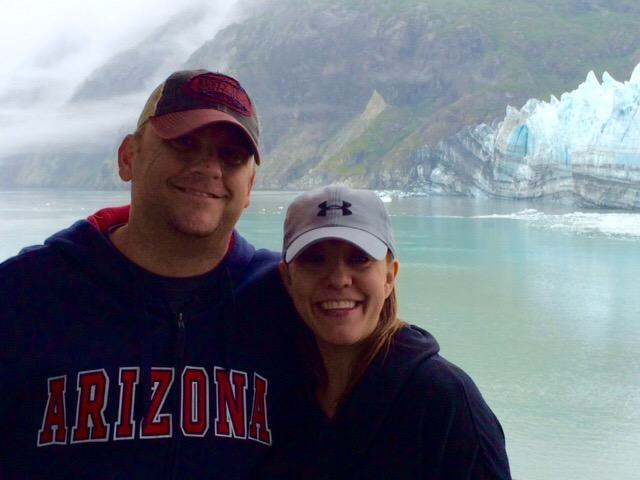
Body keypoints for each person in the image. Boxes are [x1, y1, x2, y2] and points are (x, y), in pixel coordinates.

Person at [0, 69, 299, 478]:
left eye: (232, 156)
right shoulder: (24, 295)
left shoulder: (285, 299)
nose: (208, 167)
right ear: (129, 157)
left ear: (249, 187)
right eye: (184, 143)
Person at [259, 184, 512, 479]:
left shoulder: (444, 401)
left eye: (359, 259)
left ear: (390, 276)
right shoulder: (281, 392)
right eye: (314, 259)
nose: (339, 279)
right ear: (288, 279)